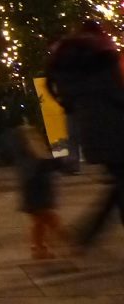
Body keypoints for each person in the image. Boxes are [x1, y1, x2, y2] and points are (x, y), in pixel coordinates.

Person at [45, 20, 124, 248]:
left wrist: (69, 105)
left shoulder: (66, 60)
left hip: (92, 131)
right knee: (120, 185)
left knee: (118, 185)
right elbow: (115, 94)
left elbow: (55, 89)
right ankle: (82, 237)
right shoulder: (102, 57)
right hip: (117, 128)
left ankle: (83, 238)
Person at [8, 123, 63, 259]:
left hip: (39, 196)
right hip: (36, 197)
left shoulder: (34, 157)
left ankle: (40, 245)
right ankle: (43, 245)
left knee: (42, 222)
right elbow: (39, 168)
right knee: (46, 221)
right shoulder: (30, 160)